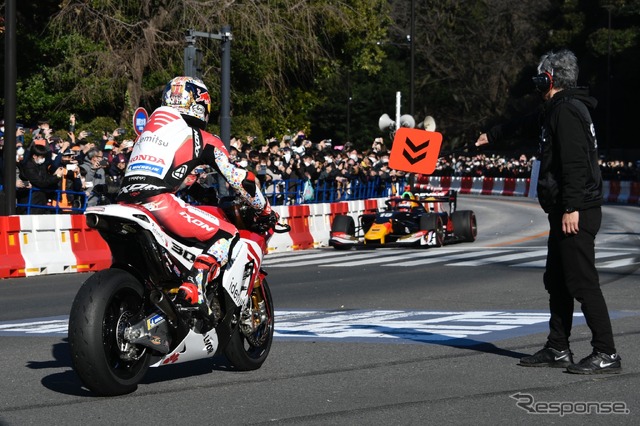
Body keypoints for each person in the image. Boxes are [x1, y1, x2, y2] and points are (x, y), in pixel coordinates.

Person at [476, 49, 621, 374]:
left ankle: (607, 352)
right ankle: (558, 347)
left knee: (583, 283)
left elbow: (574, 165)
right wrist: (493, 134)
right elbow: (528, 122)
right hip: (567, 208)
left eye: (540, 76)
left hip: (577, 209)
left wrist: (571, 206)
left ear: (549, 78)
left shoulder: (567, 111)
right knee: (556, 280)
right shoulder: (559, 108)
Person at [116, 76, 277, 324]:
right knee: (227, 234)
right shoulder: (203, 138)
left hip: (124, 203)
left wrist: (198, 188)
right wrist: (264, 209)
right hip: (159, 203)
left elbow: (170, 173)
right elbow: (239, 181)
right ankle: (195, 286)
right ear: (200, 104)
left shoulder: (148, 132)